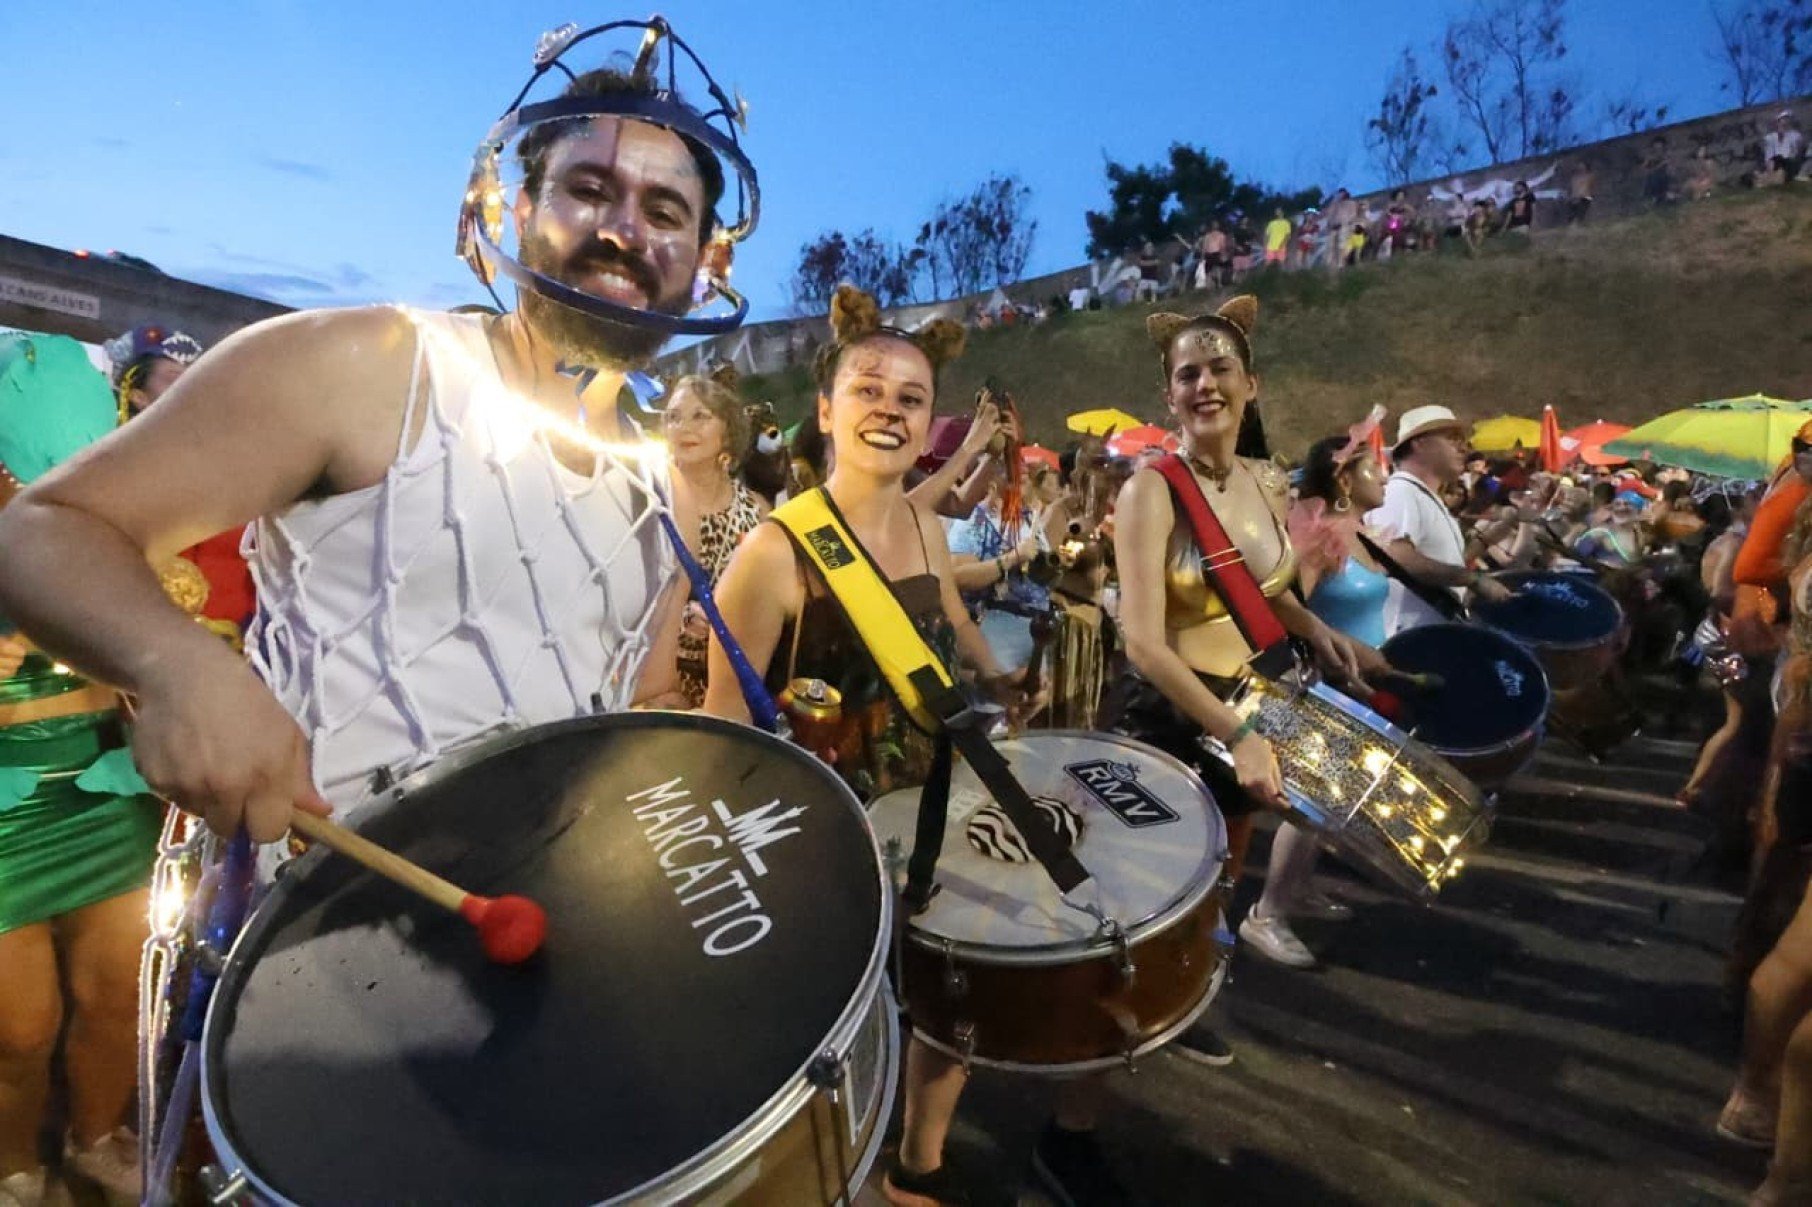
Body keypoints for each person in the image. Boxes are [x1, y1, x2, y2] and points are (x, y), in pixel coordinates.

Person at [0, 30, 758, 849]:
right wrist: (175, 664)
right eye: (590, 188)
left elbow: (634, 694)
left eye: (665, 210)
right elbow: (40, 531)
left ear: (705, 259)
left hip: (540, 935)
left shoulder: (655, 479)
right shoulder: (379, 366)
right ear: (519, 207)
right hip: (299, 930)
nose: (624, 231)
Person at [705, 287, 1133, 1206]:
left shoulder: (929, 527)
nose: (890, 410)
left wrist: (997, 684)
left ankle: (918, 1167)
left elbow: (942, 620)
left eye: (910, 396)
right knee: (838, 1042)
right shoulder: (775, 553)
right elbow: (719, 739)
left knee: (951, 996)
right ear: (825, 410)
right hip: (825, 846)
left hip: (936, 806)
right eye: (868, 389)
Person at [1102, 297, 1383, 1063]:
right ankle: (1118, 1025)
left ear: (1251, 384)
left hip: (1246, 707)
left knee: (1220, 879)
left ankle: (1176, 998)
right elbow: (1142, 641)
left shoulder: (1264, 482)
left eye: (1220, 368)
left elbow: (1265, 586)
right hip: (1174, 713)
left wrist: (1313, 627)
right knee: (1152, 888)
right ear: (1170, 397)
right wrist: (1237, 735)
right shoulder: (1150, 491)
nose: (1205, 384)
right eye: (1187, 373)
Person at [0, 333, 164, 1206]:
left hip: (107, 797)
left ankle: (97, 1137)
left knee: (117, 1000)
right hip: (2, 819)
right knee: (18, 1030)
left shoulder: (116, 537)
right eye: (30, 487)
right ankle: (14, 1167)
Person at [1242, 411, 1392, 967]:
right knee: (1308, 804)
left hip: (1359, 685)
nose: (1384, 476)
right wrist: (1332, 660)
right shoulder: (1322, 536)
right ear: (1345, 481)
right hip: (1329, 682)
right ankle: (1266, 915)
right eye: (1373, 468)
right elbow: (1289, 612)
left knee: (1330, 805)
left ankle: (1297, 890)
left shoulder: (1362, 535)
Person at [105, 324, 256, 645]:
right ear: (138, 396)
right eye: (174, 377)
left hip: (246, 647)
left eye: (196, 374)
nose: (191, 385)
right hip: (152, 649)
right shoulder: (115, 470)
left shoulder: (241, 465)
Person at [657, 367, 766, 709]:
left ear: (728, 433)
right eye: (673, 417)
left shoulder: (756, 512)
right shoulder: (648, 506)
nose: (684, 428)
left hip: (731, 684)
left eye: (699, 416)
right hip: (656, 684)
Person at [1366, 406, 1513, 638]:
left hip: (1431, 631)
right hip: (1411, 636)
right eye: (1452, 438)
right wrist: (1472, 579)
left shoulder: (1421, 495)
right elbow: (1396, 556)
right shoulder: (1401, 491)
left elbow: (1442, 563)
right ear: (1419, 443)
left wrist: (1494, 534)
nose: (1463, 447)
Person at [1762, 110, 1807, 185]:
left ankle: (1782, 177)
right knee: (1777, 159)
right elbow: (1768, 157)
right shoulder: (1769, 138)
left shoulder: (1796, 135)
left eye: (1788, 119)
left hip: (1790, 164)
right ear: (1777, 122)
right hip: (1775, 165)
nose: (1785, 122)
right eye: (1783, 119)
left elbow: (1797, 154)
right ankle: (1773, 177)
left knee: (1781, 160)